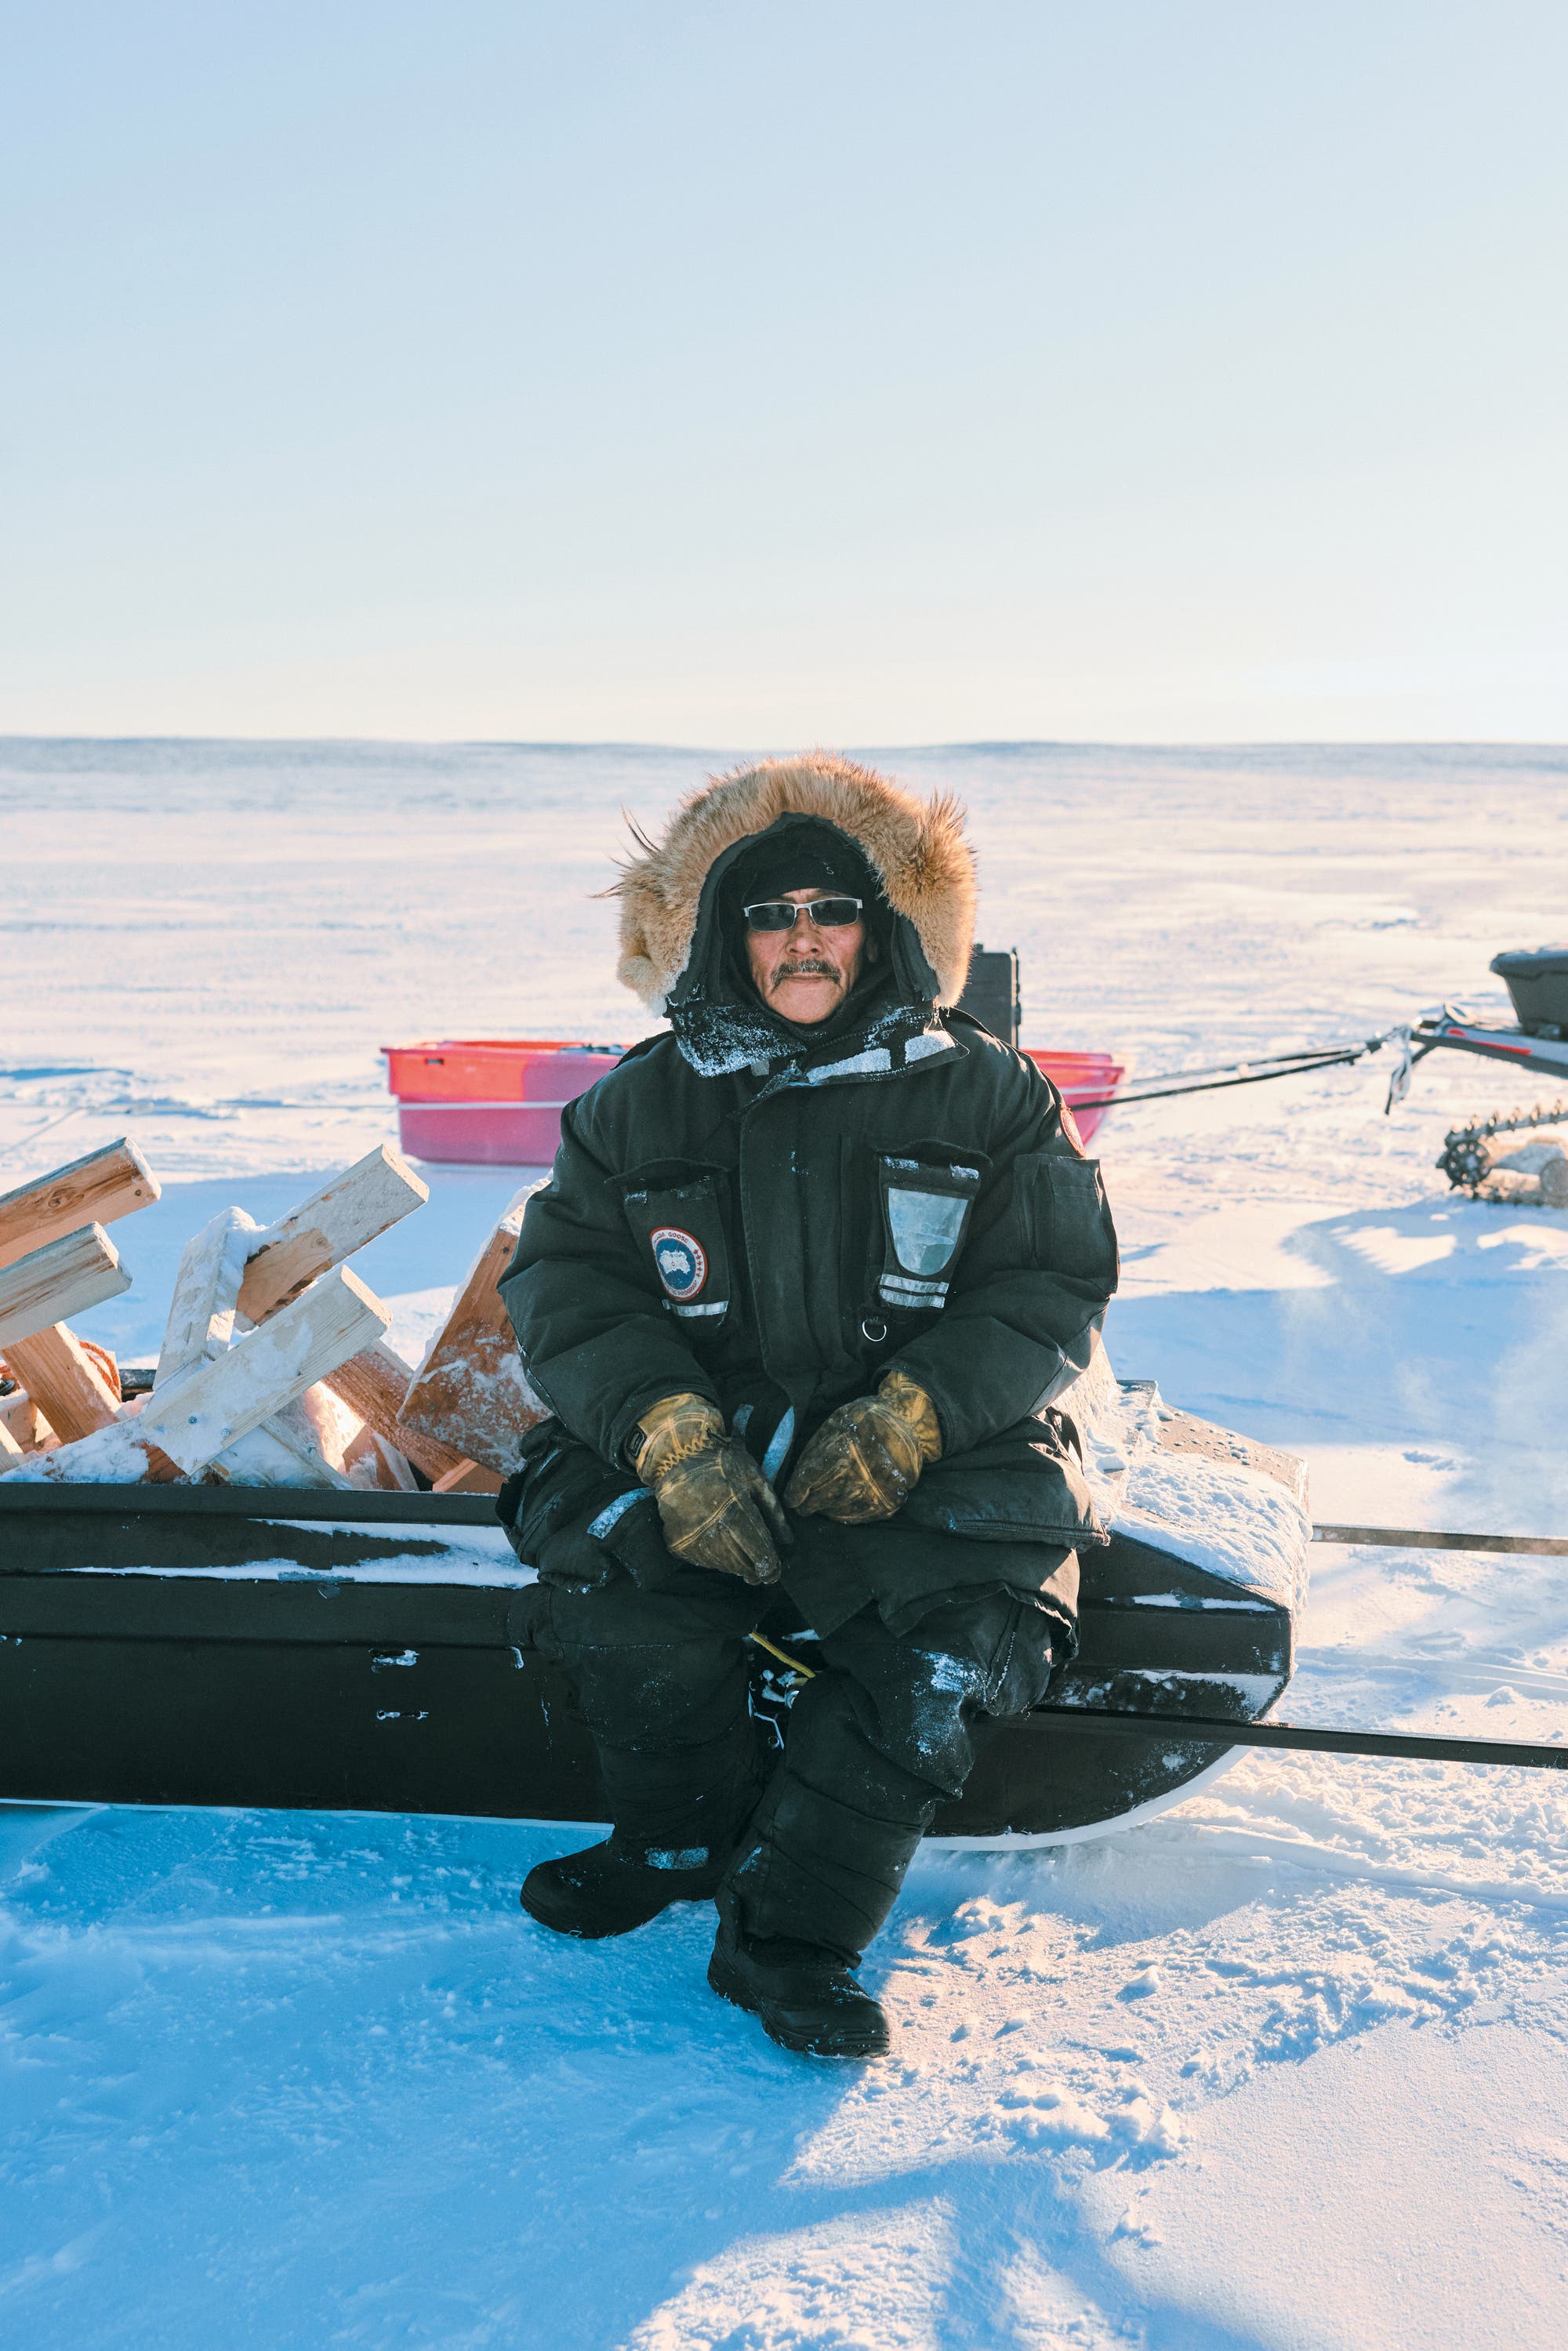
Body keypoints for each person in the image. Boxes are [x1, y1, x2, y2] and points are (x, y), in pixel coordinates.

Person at [499, 754, 1118, 2059]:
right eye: (768, 915)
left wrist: (915, 1416)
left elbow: (1050, 1282)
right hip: (701, 1437)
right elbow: (566, 1282)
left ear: (880, 930)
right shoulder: (639, 1100)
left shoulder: (992, 1094)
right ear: (727, 936)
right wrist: (665, 1431)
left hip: (944, 1454)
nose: (800, 939)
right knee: (617, 1574)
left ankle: (789, 1936)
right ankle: (677, 1840)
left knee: (953, 1651)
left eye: (828, 912)